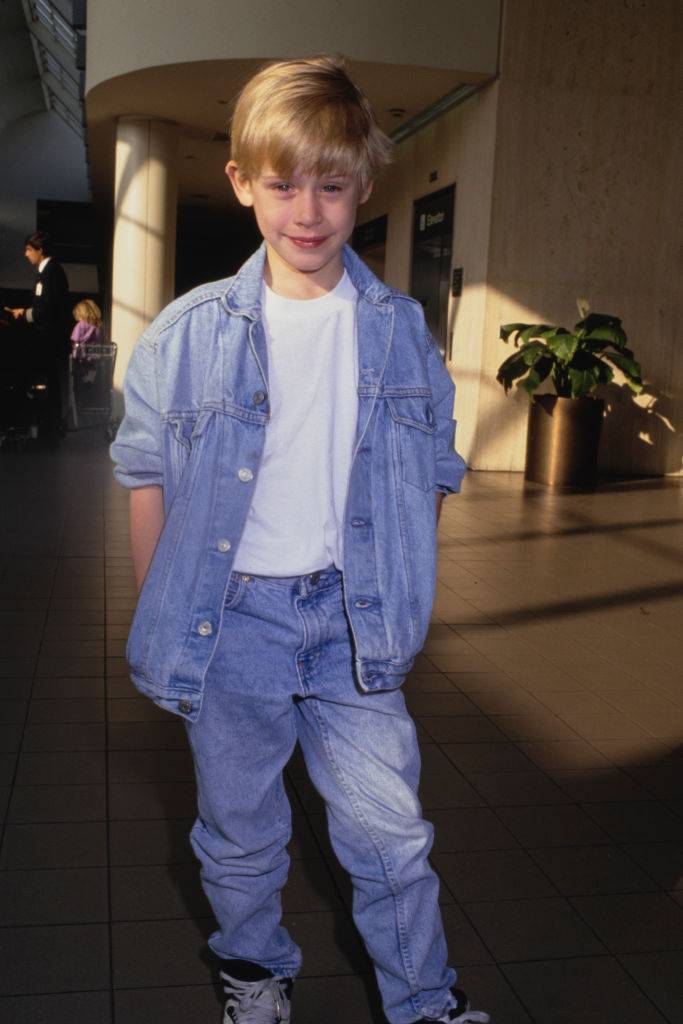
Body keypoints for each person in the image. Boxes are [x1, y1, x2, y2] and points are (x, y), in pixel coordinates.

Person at [110, 56, 489, 1024]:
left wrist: (394, 584)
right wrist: (170, 610)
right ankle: (254, 976)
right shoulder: (186, 332)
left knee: (390, 834)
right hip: (230, 619)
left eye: (330, 184)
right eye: (282, 184)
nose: (307, 210)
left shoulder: (400, 331)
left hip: (349, 623)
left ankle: (422, 1001)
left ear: (364, 184)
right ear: (242, 182)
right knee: (239, 835)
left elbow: (433, 475)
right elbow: (143, 470)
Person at [8, 231, 71, 437]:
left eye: (28, 250)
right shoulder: (47, 271)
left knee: (49, 381)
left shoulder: (51, 272)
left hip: (48, 340)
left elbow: (46, 309)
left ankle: (50, 426)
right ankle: (49, 424)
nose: (26, 254)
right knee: (50, 381)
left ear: (40, 250)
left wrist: (24, 314)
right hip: (47, 339)